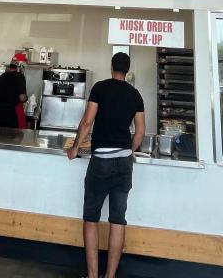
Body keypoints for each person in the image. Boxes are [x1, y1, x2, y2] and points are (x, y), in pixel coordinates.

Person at [67, 52, 145, 278]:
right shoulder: (135, 94)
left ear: (112, 67)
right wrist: (128, 150)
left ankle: (93, 276)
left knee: (91, 219)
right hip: (123, 162)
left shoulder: (100, 88)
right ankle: (109, 276)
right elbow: (139, 132)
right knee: (117, 220)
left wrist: (75, 148)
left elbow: (87, 121)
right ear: (127, 70)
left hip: (101, 161)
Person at [0, 58, 27, 129]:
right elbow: (22, 98)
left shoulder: (0, 78)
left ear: (8, 67)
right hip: (13, 115)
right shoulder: (20, 77)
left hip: (0, 116)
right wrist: (26, 98)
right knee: (11, 138)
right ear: (17, 67)